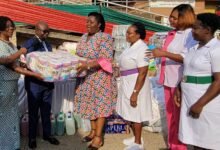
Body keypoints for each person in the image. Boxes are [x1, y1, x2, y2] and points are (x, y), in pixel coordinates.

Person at [147, 4, 197, 150]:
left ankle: (180, 146)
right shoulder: (173, 34)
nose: (171, 20)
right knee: (171, 117)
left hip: (179, 82)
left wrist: (164, 53)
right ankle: (173, 145)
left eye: (175, 18)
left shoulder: (190, 35)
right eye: (171, 17)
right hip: (168, 80)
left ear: (185, 18)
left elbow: (187, 57)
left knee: (179, 118)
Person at [177, 13, 220, 150]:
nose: (192, 31)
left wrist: (200, 104)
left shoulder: (216, 49)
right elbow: (188, 71)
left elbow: (218, 81)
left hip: (205, 102)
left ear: (207, 30)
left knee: (208, 139)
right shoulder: (193, 48)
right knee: (195, 138)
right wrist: (179, 88)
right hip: (190, 99)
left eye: (195, 28)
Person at [74, 12, 117, 150]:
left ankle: (98, 138)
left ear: (99, 25)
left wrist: (87, 65)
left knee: (100, 107)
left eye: (91, 22)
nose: (88, 24)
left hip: (100, 77)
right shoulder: (84, 37)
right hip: (85, 77)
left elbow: (106, 59)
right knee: (89, 104)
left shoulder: (105, 38)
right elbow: (78, 54)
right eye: (87, 21)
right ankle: (92, 132)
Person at [0, 16, 43, 150]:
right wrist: (35, 74)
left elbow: (18, 64)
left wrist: (33, 66)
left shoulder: (11, 44)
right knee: (3, 117)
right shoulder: (0, 44)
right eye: (7, 26)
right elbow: (8, 63)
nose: (11, 28)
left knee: (12, 116)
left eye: (12, 25)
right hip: (3, 86)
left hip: (12, 85)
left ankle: (12, 144)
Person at [22, 21, 60, 149]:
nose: (46, 34)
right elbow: (25, 60)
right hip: (34, 84)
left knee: (46, 110)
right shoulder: (29, 43)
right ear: (36, 30)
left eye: (48, 31)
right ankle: (32, 138)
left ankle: (47, 135)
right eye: (44, 31)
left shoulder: (48, 44)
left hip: (47, 83)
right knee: (33, 112)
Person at [116, 22, 153, 150]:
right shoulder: (131, 46)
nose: (127, 35)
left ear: (138, 35)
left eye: (130, 33)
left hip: (136, 83)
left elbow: (143, 72)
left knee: (137, 113)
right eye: (127, 32)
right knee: (130, 112)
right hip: (127, 81)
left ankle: (138, 143)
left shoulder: (143, 49)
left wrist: (135, 92)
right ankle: (136, 138)